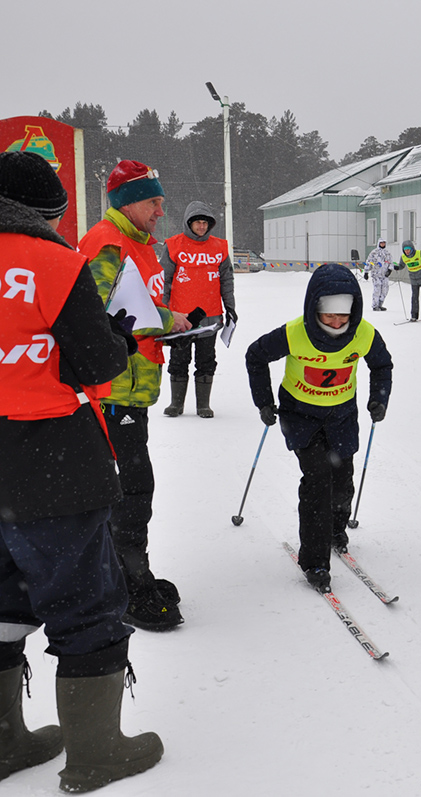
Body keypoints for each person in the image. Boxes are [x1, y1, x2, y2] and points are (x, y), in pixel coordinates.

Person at [0, 151, 164, 793]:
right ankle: (97, 754)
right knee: (85, 603)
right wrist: (116, 339)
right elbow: (98, 365)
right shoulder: (54, 261)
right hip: (51, 462)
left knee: (2, 600)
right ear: (46, 213)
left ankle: (5, 741)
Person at [77, 160, 195, 631]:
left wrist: (173, 324)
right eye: (153, 202)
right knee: (131, 489)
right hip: (113, 391)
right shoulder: (108, 243)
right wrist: (166, 321)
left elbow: (137, 305)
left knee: (130, 487)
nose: (161, 211)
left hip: (133, 388)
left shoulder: (139, 244)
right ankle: (125, 585)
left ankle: (124, 575)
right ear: (128, 203)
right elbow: (98, 311)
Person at [245, 264, 392, 591]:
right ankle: (315, 561)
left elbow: (382, 365)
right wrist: (264, 401)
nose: (337, 323)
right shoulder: (294, 333)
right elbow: (255, 356)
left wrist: (378, 399)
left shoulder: (364, 334)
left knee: (341, 479)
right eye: (329, 316)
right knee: (317, 480)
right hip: (301, 416)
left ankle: (336, 529)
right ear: (314, 309)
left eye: (343, 316)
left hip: (342, 414)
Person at [161, 201, 236, 419]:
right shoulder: (173, 245)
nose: (201, 226)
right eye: (197, 223)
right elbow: (164, 281)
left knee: (206, 360)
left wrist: (230, 307)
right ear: (189, 223)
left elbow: (227, 280)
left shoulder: (219, 247)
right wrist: (162, 311)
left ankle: (203, 405)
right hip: (180, 317)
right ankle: (176, 404)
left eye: (205, 223)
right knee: (178, 360)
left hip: (209, 316)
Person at [364, 238, 393, 312]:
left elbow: (391, 262)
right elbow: (369, 262)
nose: (382, 244)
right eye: (381, 243)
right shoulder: (374, 253)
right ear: (379, 243)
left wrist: (389, 270)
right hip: (376, 274)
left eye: (384, 243)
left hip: (384, 275)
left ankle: (380, 304)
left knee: (385, 290)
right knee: (377, 290)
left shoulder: (387, 253)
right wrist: (366, 271)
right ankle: (375, 305)